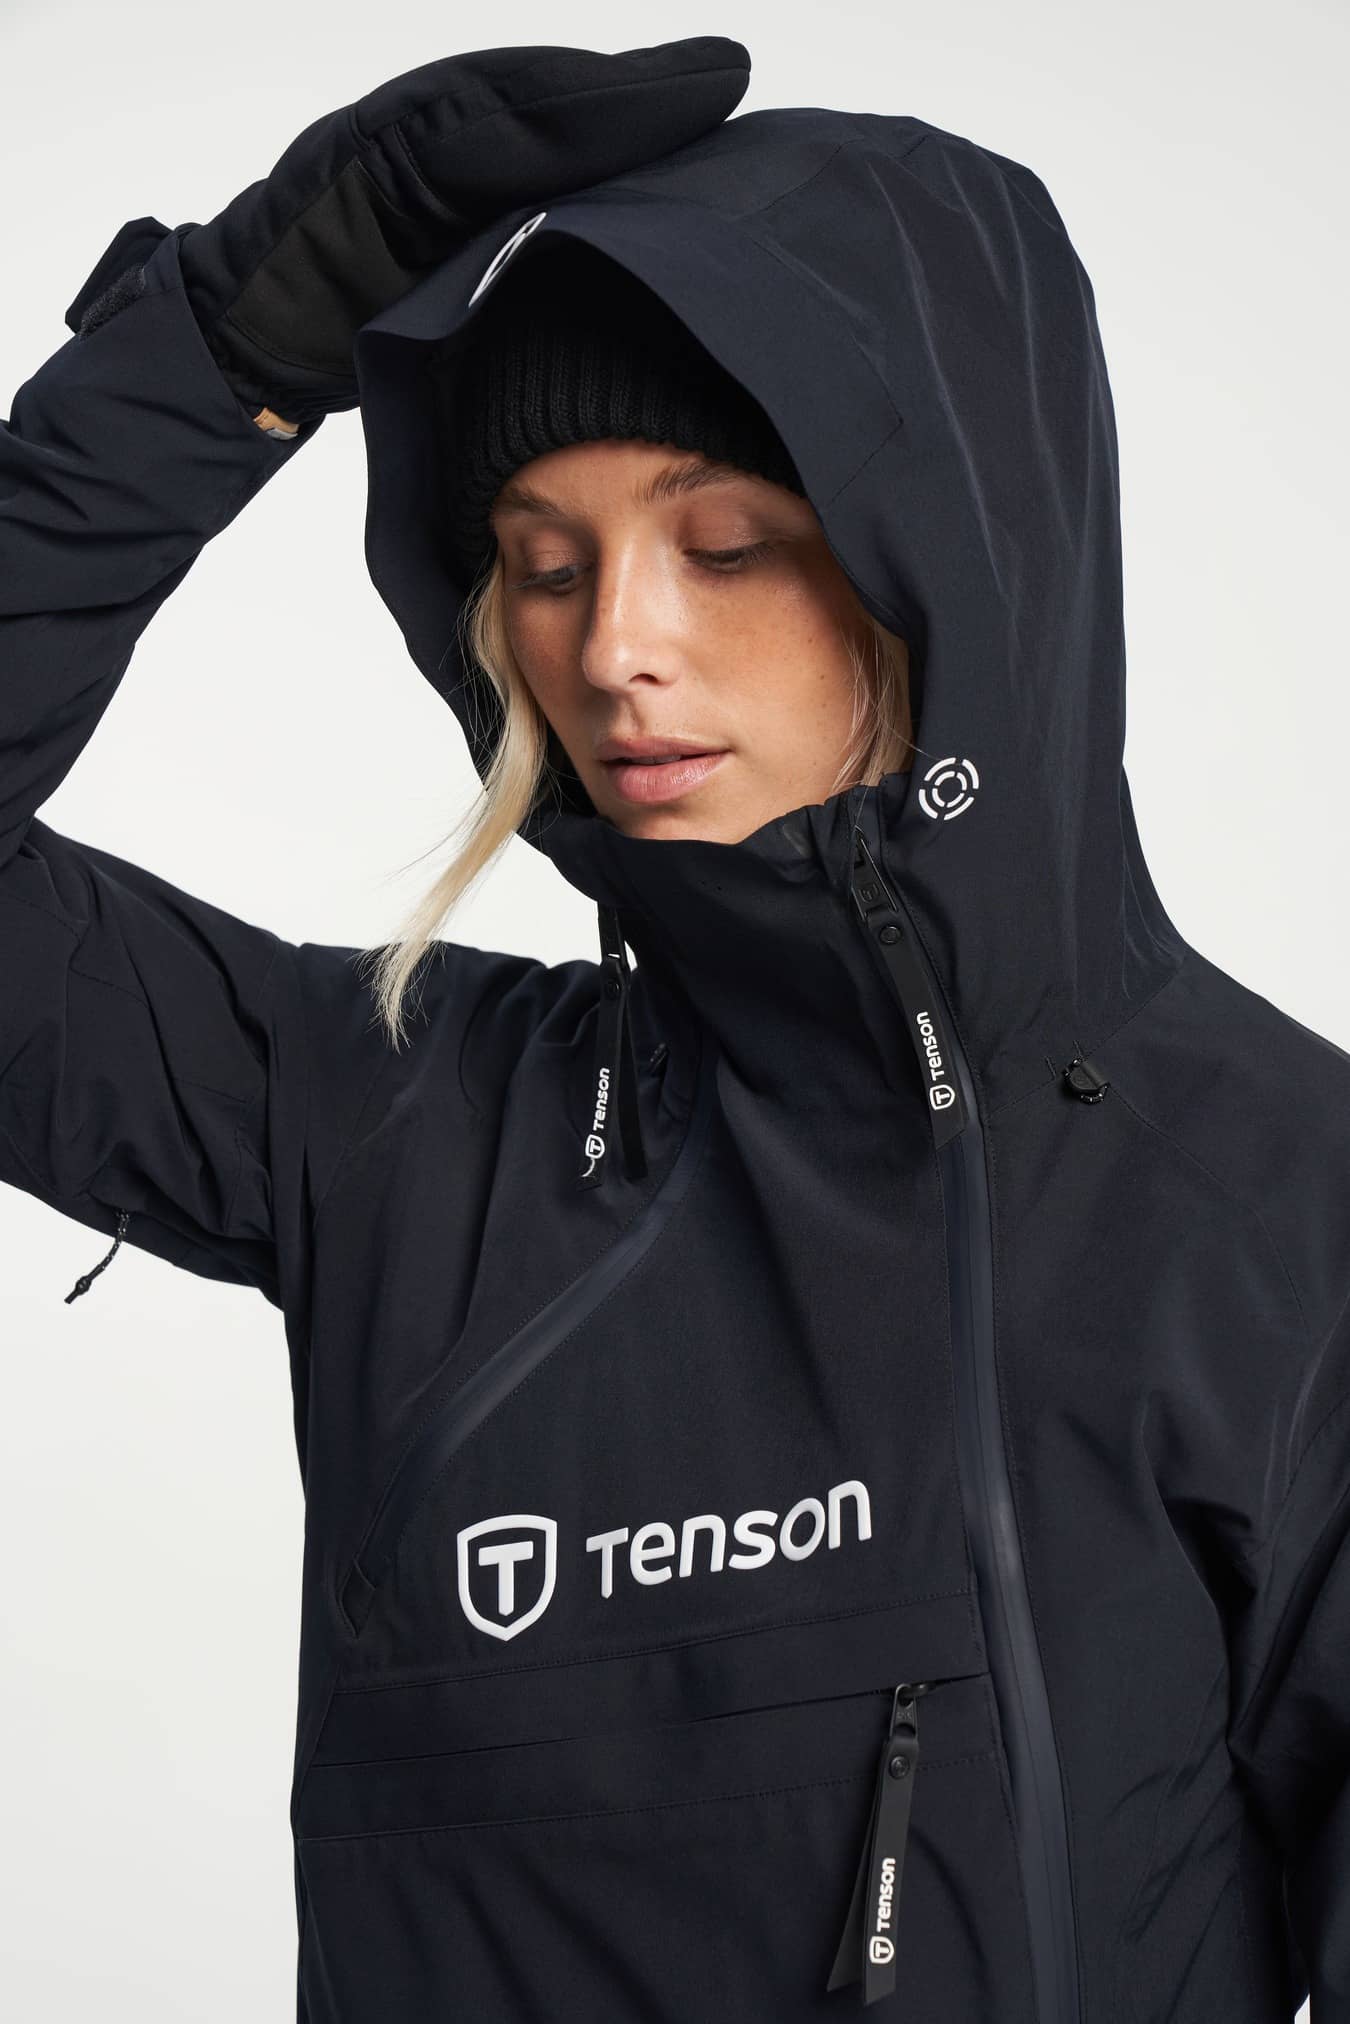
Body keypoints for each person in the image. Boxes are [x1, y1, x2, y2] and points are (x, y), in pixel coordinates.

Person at [3, 37, 1347, 2024]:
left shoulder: (1274, 1203)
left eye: (726, 547)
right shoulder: (390, 1118)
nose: (612, 642)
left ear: (948, 565)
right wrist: (213, 356)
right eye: (542, 565)